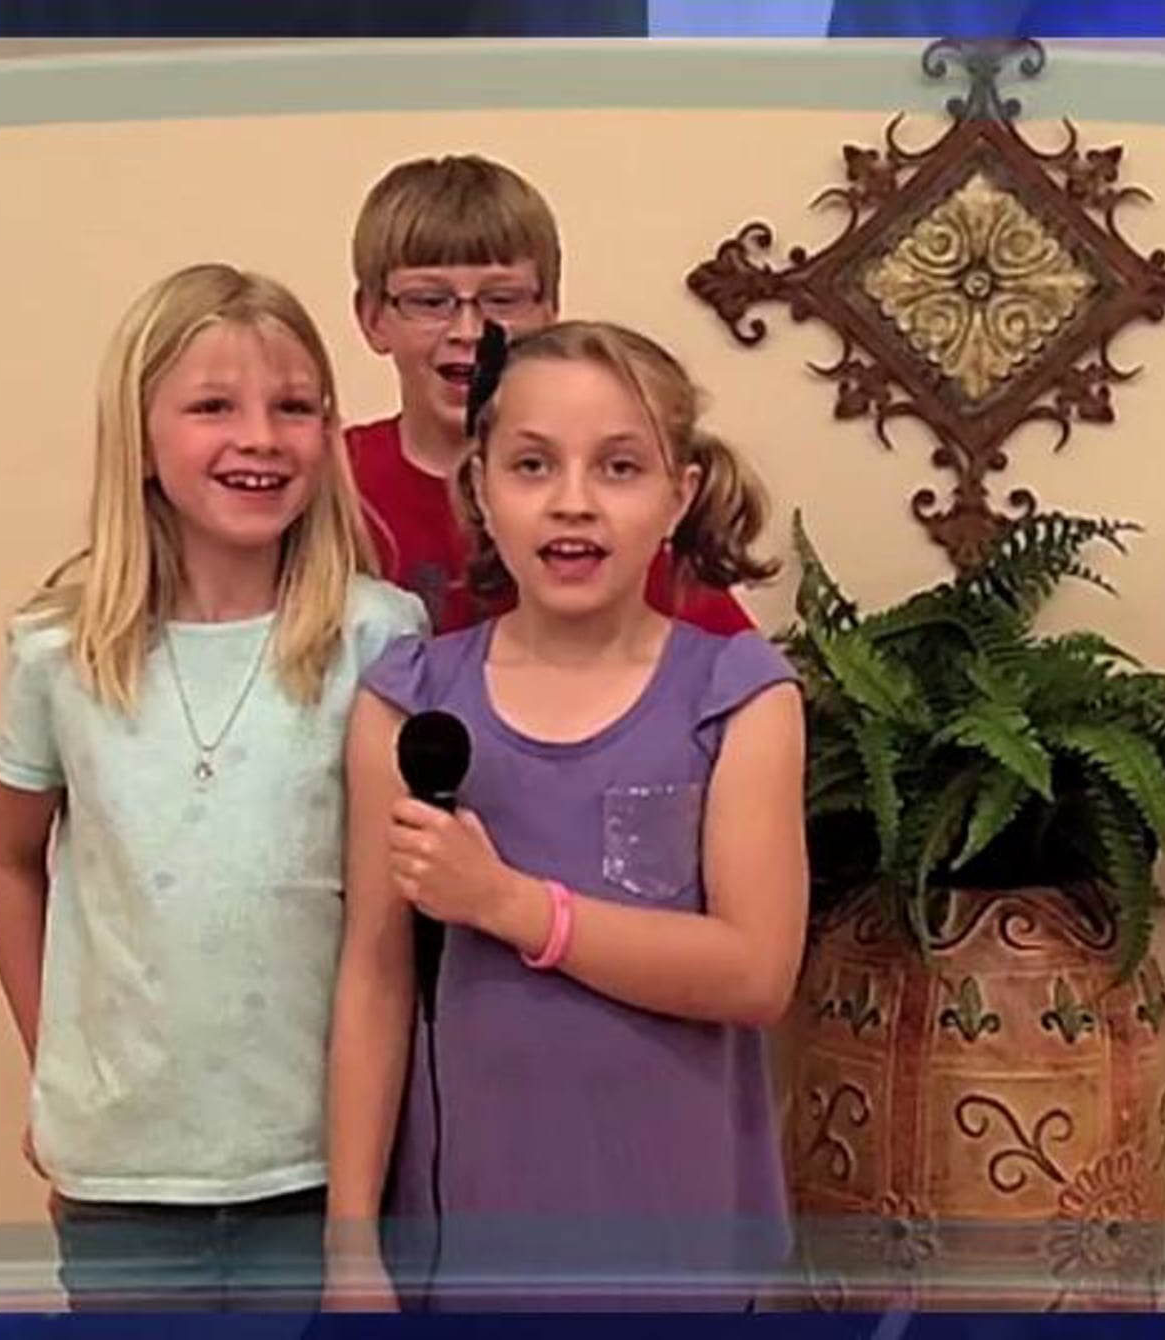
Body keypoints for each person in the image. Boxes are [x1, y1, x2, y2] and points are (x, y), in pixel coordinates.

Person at [323, 320, 810, 1311]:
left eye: (619, 467)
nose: (573, 500)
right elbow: (374, 976)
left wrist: (510, 904)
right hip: (468, 1250)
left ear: (678, 495)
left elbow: (756, 972)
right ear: (481, 488)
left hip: (682, 1247)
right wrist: (351, 1242)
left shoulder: (739, 695)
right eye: (533, 464)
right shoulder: (409, 703)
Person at [0, 262, 427, 1311]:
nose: (259, 438)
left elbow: (386, 936)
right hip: (122, 1183)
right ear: (139, 437)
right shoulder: (58, 652)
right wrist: (54, 1062)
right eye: (214, 406)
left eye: (294, 407)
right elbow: (5, 857)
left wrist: (355, 1230)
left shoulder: (378, 638)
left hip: (319, 1171)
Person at [343, 152, 756, 636]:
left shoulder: (609, 492)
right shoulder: (333, 481)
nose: (469, 331)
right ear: (373, 318)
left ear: (549, 310)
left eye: (502, 299)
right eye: (430, 301)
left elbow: (734, 659)